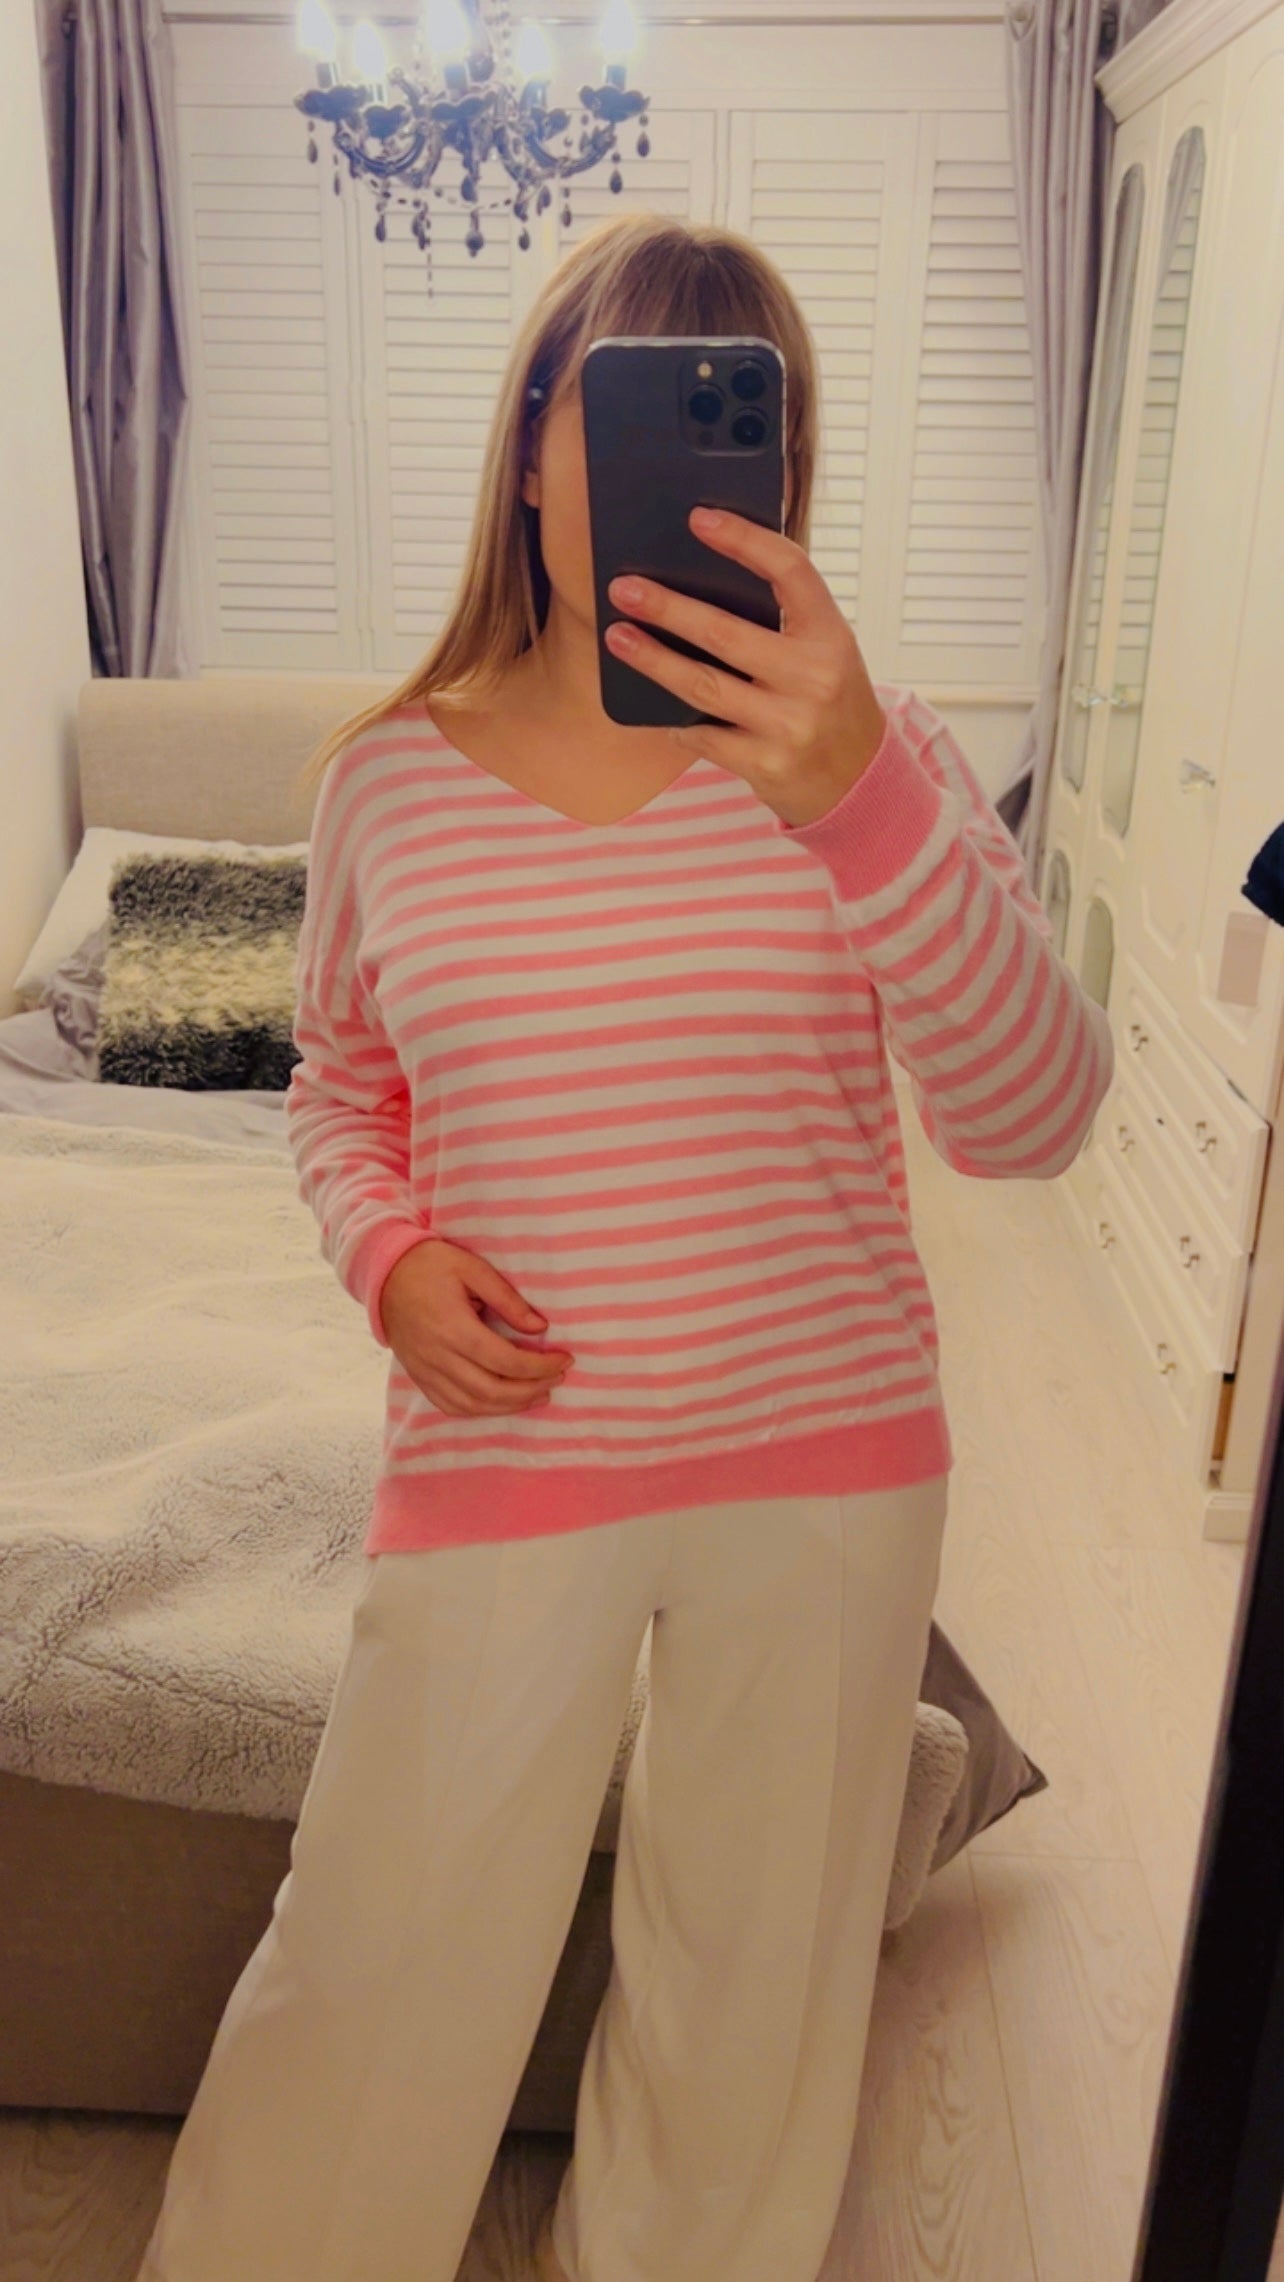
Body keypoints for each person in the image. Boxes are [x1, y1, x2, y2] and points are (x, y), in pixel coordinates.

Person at [135, 212, 1114, 2282]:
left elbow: (1033, 1118)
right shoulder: (387, 784)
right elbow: (337, 1086)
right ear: (532, 450)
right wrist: (387, 1257)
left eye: (738, 417)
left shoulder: (873, 756)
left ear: (781, 470)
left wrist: (857, 798)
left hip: (826, 1459)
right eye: (629, 403)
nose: (684, 459)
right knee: (380, 1948)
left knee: (753, 1991)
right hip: (508, 1453)